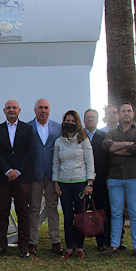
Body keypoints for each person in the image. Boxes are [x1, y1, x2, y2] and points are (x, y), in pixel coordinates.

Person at [102, 102, 136, 258]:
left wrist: (117, 149)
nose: (126, 113)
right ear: (119, 114)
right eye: (123, 111)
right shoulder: (112, 132)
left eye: (129, 111)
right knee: (116, 213)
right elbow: (106, 146)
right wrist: (127, 145)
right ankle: (114, 245)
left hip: (134, 176)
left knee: (135, 213)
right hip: (114, 177)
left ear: (133, 114)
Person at [0, 99, 35, 259]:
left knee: (23, 213)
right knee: (2, 213)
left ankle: (24, 247)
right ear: (4, 111)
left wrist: (18, 171)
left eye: (14, 108)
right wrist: (8, 170)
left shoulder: (27, 129)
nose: (11, 110)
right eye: (8, 108)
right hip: (3, 178)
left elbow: (30, 152)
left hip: (22, 179)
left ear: (19, 110)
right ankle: (1, 246)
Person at [52, 110, 95, 259]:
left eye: (72, 121)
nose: (69, 123)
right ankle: (69, 247)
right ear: (63, 123)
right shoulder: (58, 142)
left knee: (80, 216)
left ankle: (80, 247)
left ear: (77, 123)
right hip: (64, 183)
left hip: (80, 183)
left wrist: (90, 183)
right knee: (68, 216)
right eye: (67, 121)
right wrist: (55, 182)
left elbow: (90, 161)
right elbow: (56, 163)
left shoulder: (84, 140)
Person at [28, 98, 63, 256]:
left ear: (49, 110)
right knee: (34, 208)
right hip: (34, 174)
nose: (43, 110)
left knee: (52, 208)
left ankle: (55, 241)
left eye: (46, 108)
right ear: (35, 110)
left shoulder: (58, 127)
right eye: (40, 108)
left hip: (52, 173)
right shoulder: (27, 127)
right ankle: (32, 242)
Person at [83, 108, 110, 251]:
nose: (90, 119)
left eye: (93, 117)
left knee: (100, 211)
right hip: (82, 179)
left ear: (97, 119)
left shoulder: (104, 136)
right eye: (87, 117)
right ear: (83, 119)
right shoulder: (78, 136)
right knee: (80, 211)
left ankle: (102, 241)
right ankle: (78, 240)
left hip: (100, 179)